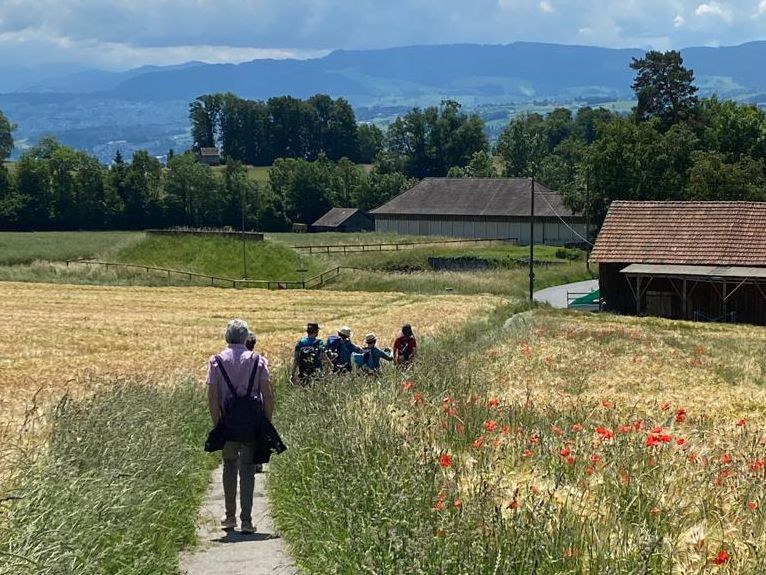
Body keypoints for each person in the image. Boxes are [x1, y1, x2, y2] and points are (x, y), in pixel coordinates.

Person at [207, 319, 273, 534]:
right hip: (252, 422)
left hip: (227, 421)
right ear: (246, 338)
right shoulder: (258, 360)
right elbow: (267, 393)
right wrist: (266, 421)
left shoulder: (216, 361)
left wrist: (218, 424)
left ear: (227, 337)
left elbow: (212, 396)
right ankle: (246, 520)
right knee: (247, 468)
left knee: (228, 465)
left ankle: (229, 517)